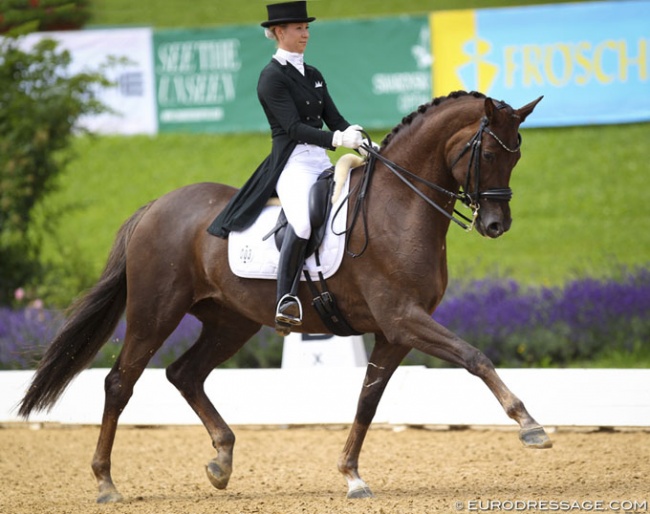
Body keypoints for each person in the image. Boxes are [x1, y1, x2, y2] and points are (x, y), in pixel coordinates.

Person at [207, 1, 364, 333]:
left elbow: (334, 119)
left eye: (307, 28)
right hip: (293, 164)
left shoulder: (314, 74)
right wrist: (338, 139)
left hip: (321, 162)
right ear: (279, 32)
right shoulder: (271, 77)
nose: (305, 34)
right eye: (298, 29)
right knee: (303, 223)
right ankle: (286, 298)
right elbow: (293, 128)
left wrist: (361, 139)